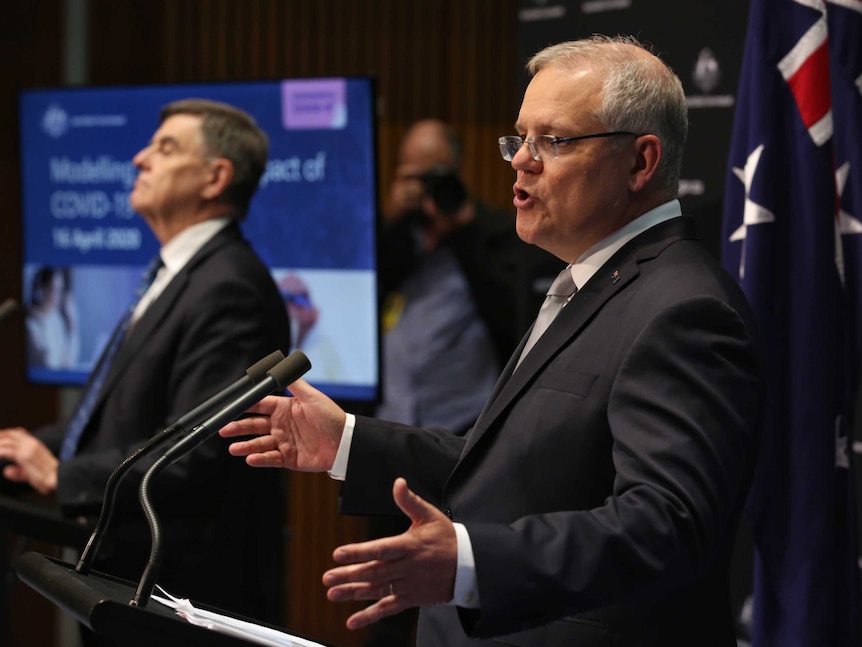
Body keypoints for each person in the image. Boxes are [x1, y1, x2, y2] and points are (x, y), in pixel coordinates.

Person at [220, 35, 762, 647]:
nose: (521, 162)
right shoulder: (589, 283)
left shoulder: (683, 307)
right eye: (520, 139)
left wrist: (473, 561)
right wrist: (347, 441)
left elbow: (670, 525)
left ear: (640, 163)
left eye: (553, 141)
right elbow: (520, 471)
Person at [0, 99, 291, 631]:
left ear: (215, 177)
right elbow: (114, 414)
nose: (139, 158)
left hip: (182, 598)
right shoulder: (179, 274)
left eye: (165, 148)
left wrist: (61, 474)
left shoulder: (229, 286)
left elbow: (191, 452)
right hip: (129, 581)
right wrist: (24, 452)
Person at [377, 118, 524, 434]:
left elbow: (512, 319)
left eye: (437, 176)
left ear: (458, 172)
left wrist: (462, 233)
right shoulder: (390, 235)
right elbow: (364, 303)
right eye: (416, 177)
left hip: (463, 423)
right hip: (389, 419)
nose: (427, 189)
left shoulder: (495, 233)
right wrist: (393, 223)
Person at [25, 266, 80, 369]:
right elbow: (48, 363)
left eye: (59, 290)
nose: (56, 296)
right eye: (52, 289)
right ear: (40, 290)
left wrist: (73, 326)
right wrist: (43, 322)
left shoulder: (56, 319)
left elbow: (70, 363)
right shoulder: (30, 324)